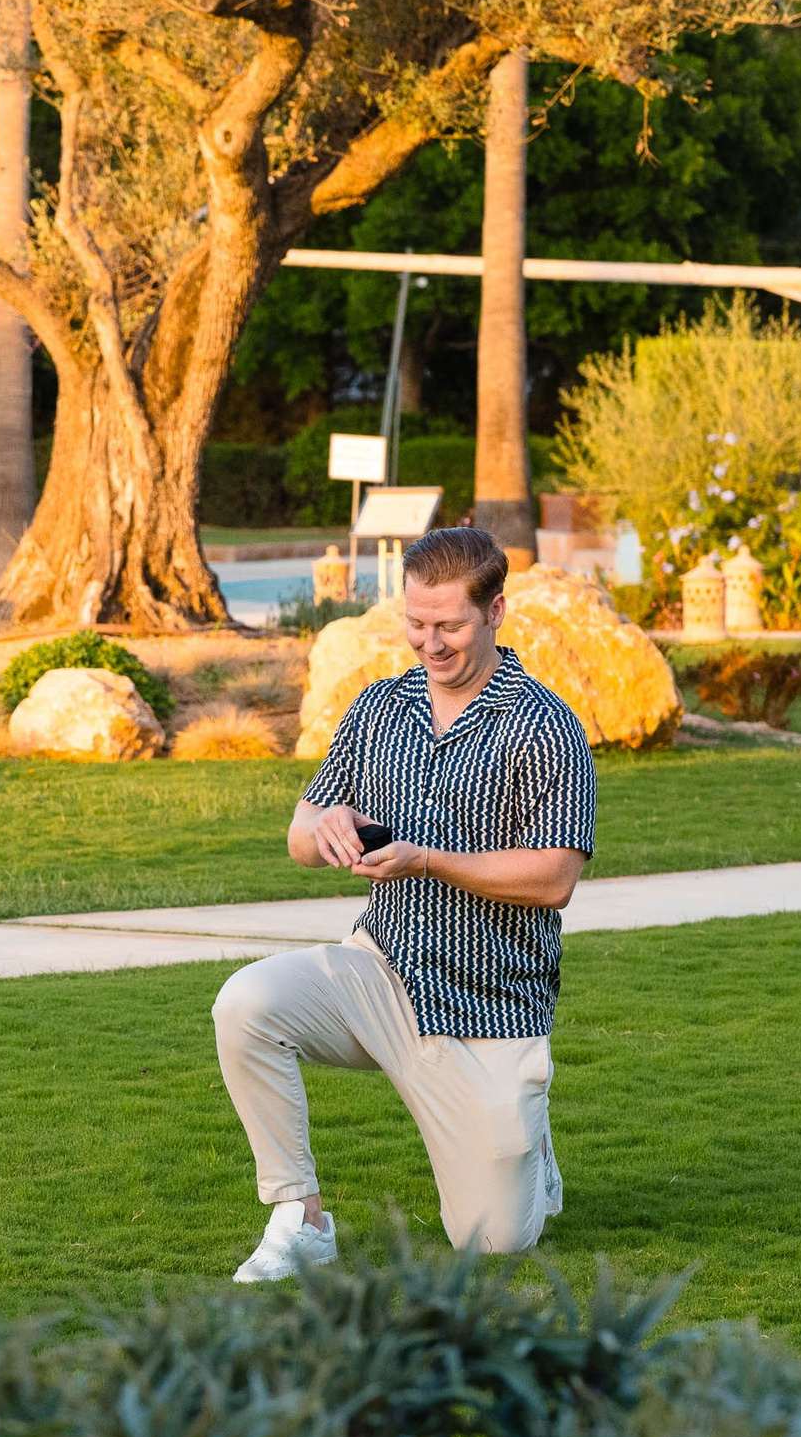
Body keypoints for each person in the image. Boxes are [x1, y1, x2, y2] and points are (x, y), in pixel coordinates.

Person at [211, 526, 595, 1282]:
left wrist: (426, 858)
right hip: (379, 974)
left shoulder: (546, 726)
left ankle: (525, 1139)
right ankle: (301, 1215)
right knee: (245, 1002)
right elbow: (298, 833)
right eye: (417, 624)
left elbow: (554, 877)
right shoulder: (378, 708)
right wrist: (323, 826)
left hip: (489, 1006)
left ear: (495, 612)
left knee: (493, 1240)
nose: (431, 642)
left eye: (450, 624)